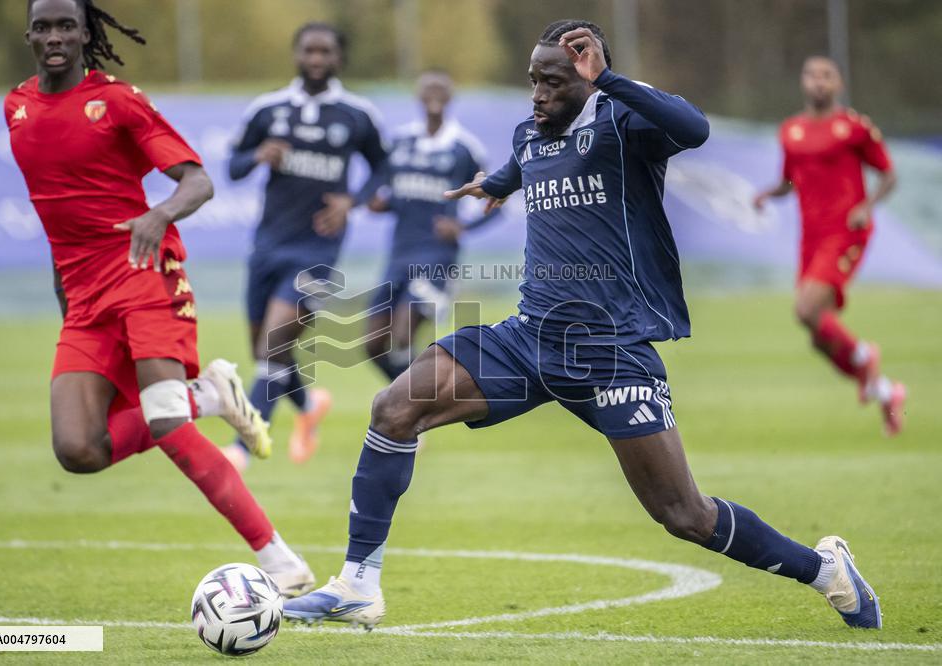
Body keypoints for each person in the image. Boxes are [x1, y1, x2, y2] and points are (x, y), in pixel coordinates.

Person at [284, 20, 881, 630]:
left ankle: (824, 570)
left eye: (553, 82)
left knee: (685, 515)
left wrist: (611, 82)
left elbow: (694, 128)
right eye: (533, 81)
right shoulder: (530, 134)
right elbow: (525, 162)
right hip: (529, 340)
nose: (538, 94)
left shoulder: (625, 124)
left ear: (589, 79)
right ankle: (358, 584)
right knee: (395, 407)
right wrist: (494, 183)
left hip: (612, 351)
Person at [7, 0, 314, 596]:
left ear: (84, 32)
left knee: (166, 421)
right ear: (28, 34)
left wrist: (160, 214)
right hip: (84, 294)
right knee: (77, 449)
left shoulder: (118, 101)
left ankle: (279, 559)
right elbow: (56, 215)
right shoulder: (15, 106)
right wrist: (65, 297)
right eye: (42, 26)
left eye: (66, 25)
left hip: (145, 271)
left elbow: (198, 180)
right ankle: (212, 395)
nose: (54, 36)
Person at [224, 22, 390, 471]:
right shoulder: (269, 109)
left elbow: (384, 167)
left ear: (338, 58)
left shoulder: (356, 114)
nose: (317, 59)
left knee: (274, 343)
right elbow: (232, 166)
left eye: (326, 52)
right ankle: (307, 404)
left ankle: (243, 448)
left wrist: (352, 201)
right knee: (264, 347)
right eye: (309, 51)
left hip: (318, 250)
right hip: (268, 244)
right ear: (297, 55)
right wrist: (258, 155)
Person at [754, 56, 904, 436]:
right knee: (817, 335)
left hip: (846, 231)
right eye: (811, 75)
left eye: (826, 76)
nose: (818, 82)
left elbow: (888, 175)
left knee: (806, 309)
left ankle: (864, 356)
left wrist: (865, 206)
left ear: (837, 85)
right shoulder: (791, 131)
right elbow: (789, 181)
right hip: (812, 237)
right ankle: (885, 391)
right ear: (803, 82)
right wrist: (767, 195)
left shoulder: (853, 127)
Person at [363, 70, 499, 382]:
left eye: (441, 90)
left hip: (436, 256)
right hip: (399, 253)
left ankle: (411, 411)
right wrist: (380, 203)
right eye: (428, 90)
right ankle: (411, 406)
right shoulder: (400, 142)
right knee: (372, 344)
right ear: (418, 97)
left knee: (401, 334)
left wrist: (465, 226)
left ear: (450, 98)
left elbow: (497, 200)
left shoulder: (464, 147)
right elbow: (387, 189)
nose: (434, 96)